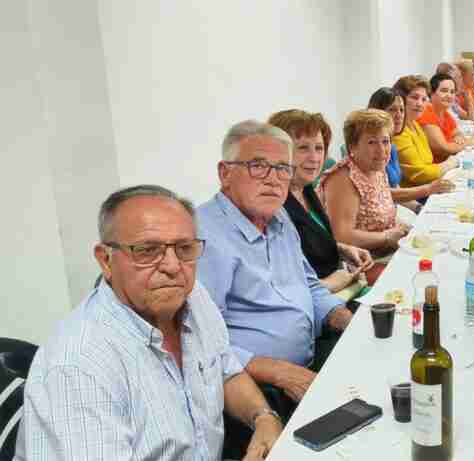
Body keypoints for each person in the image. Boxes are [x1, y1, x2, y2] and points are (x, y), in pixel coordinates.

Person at [16, 185, 283, 461]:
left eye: (184, 248)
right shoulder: (79, 366)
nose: (172, 266)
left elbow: (226, 370)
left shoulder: (193, 297)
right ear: (105, 260)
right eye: (147, 250)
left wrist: (264, 418)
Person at [197, 120, 354, 422]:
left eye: (283, 168)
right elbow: (200, 344)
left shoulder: (278, 216)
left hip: (308, 361)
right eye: (258, 166)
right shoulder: (203, 238)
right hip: (257, 389)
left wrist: (344, 318)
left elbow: (309, 285)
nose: (273, 179)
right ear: (225, 173)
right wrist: (279, 372)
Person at [268, 109, 374, 298]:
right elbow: (278, 288)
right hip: (321, 306)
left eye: (319, 148)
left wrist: (342, 249)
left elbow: (309, 242)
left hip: (343, 289)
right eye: (302, 148)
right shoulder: (273, 207)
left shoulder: (305, 189)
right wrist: (328, 284)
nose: (314, 158)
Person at [323, 109, 410, 265]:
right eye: (371, 142)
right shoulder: (343, 178)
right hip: (362, 262)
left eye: (385, 141)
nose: (381, 150)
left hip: (387, 250)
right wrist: (387, 236)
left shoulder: (376, 166)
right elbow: (342, 236)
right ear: (352, 147)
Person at [366, 87, 455, 210]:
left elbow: (395, 186)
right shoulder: (369, 149)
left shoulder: (391, 146)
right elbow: (382, 193)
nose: (399, 115)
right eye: (392, 110)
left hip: (398, 207)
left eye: (401, 110)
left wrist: (418, 208)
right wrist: (428, 190)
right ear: (377, 113)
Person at [392, 75, 458, 186]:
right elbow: (420, 174)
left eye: (423, 99)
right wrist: (451, 163)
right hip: (416, 194)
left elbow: (428, 162)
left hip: (429, 185)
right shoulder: (398, 132)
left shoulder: (415, 124)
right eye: (414, 97)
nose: (420, 104)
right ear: (400, 99)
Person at [418, 72, 466, 162]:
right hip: (435, 169)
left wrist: (458, 138)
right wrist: (466, 143)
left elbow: (458, 134)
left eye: (452, 92)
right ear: (431, 93)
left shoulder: (445, 113)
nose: (449, 95)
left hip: (447, 164)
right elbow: (443, 149)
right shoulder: (425, 112)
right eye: (444, 91)